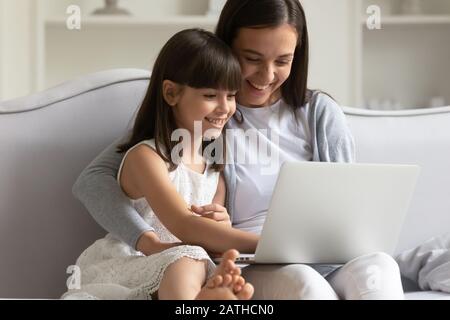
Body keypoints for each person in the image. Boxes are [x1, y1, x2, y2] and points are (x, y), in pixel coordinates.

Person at [73, 0, 404, 300]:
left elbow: (350, 203)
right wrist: (146, 240)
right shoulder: (200, 120)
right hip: (251, 262)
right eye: (252, 59)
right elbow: (96, 179)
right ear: (227, 47)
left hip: (321, 255)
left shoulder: (318, 113)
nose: (267, 75)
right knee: (306, 283)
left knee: (380, 268)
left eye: (283, 61)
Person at [62, 29, 255, 300]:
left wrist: (221, 227)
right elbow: (184, 225)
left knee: (201, 263)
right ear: (171, 93)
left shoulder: (215, 170)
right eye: (211, 96)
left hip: (185, 264)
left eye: (232, 96)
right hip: (134, 262)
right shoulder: (147, 157)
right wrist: (265, 244)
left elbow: (202, 238)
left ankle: (207, 297)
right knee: (188, 261)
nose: (225, 108)